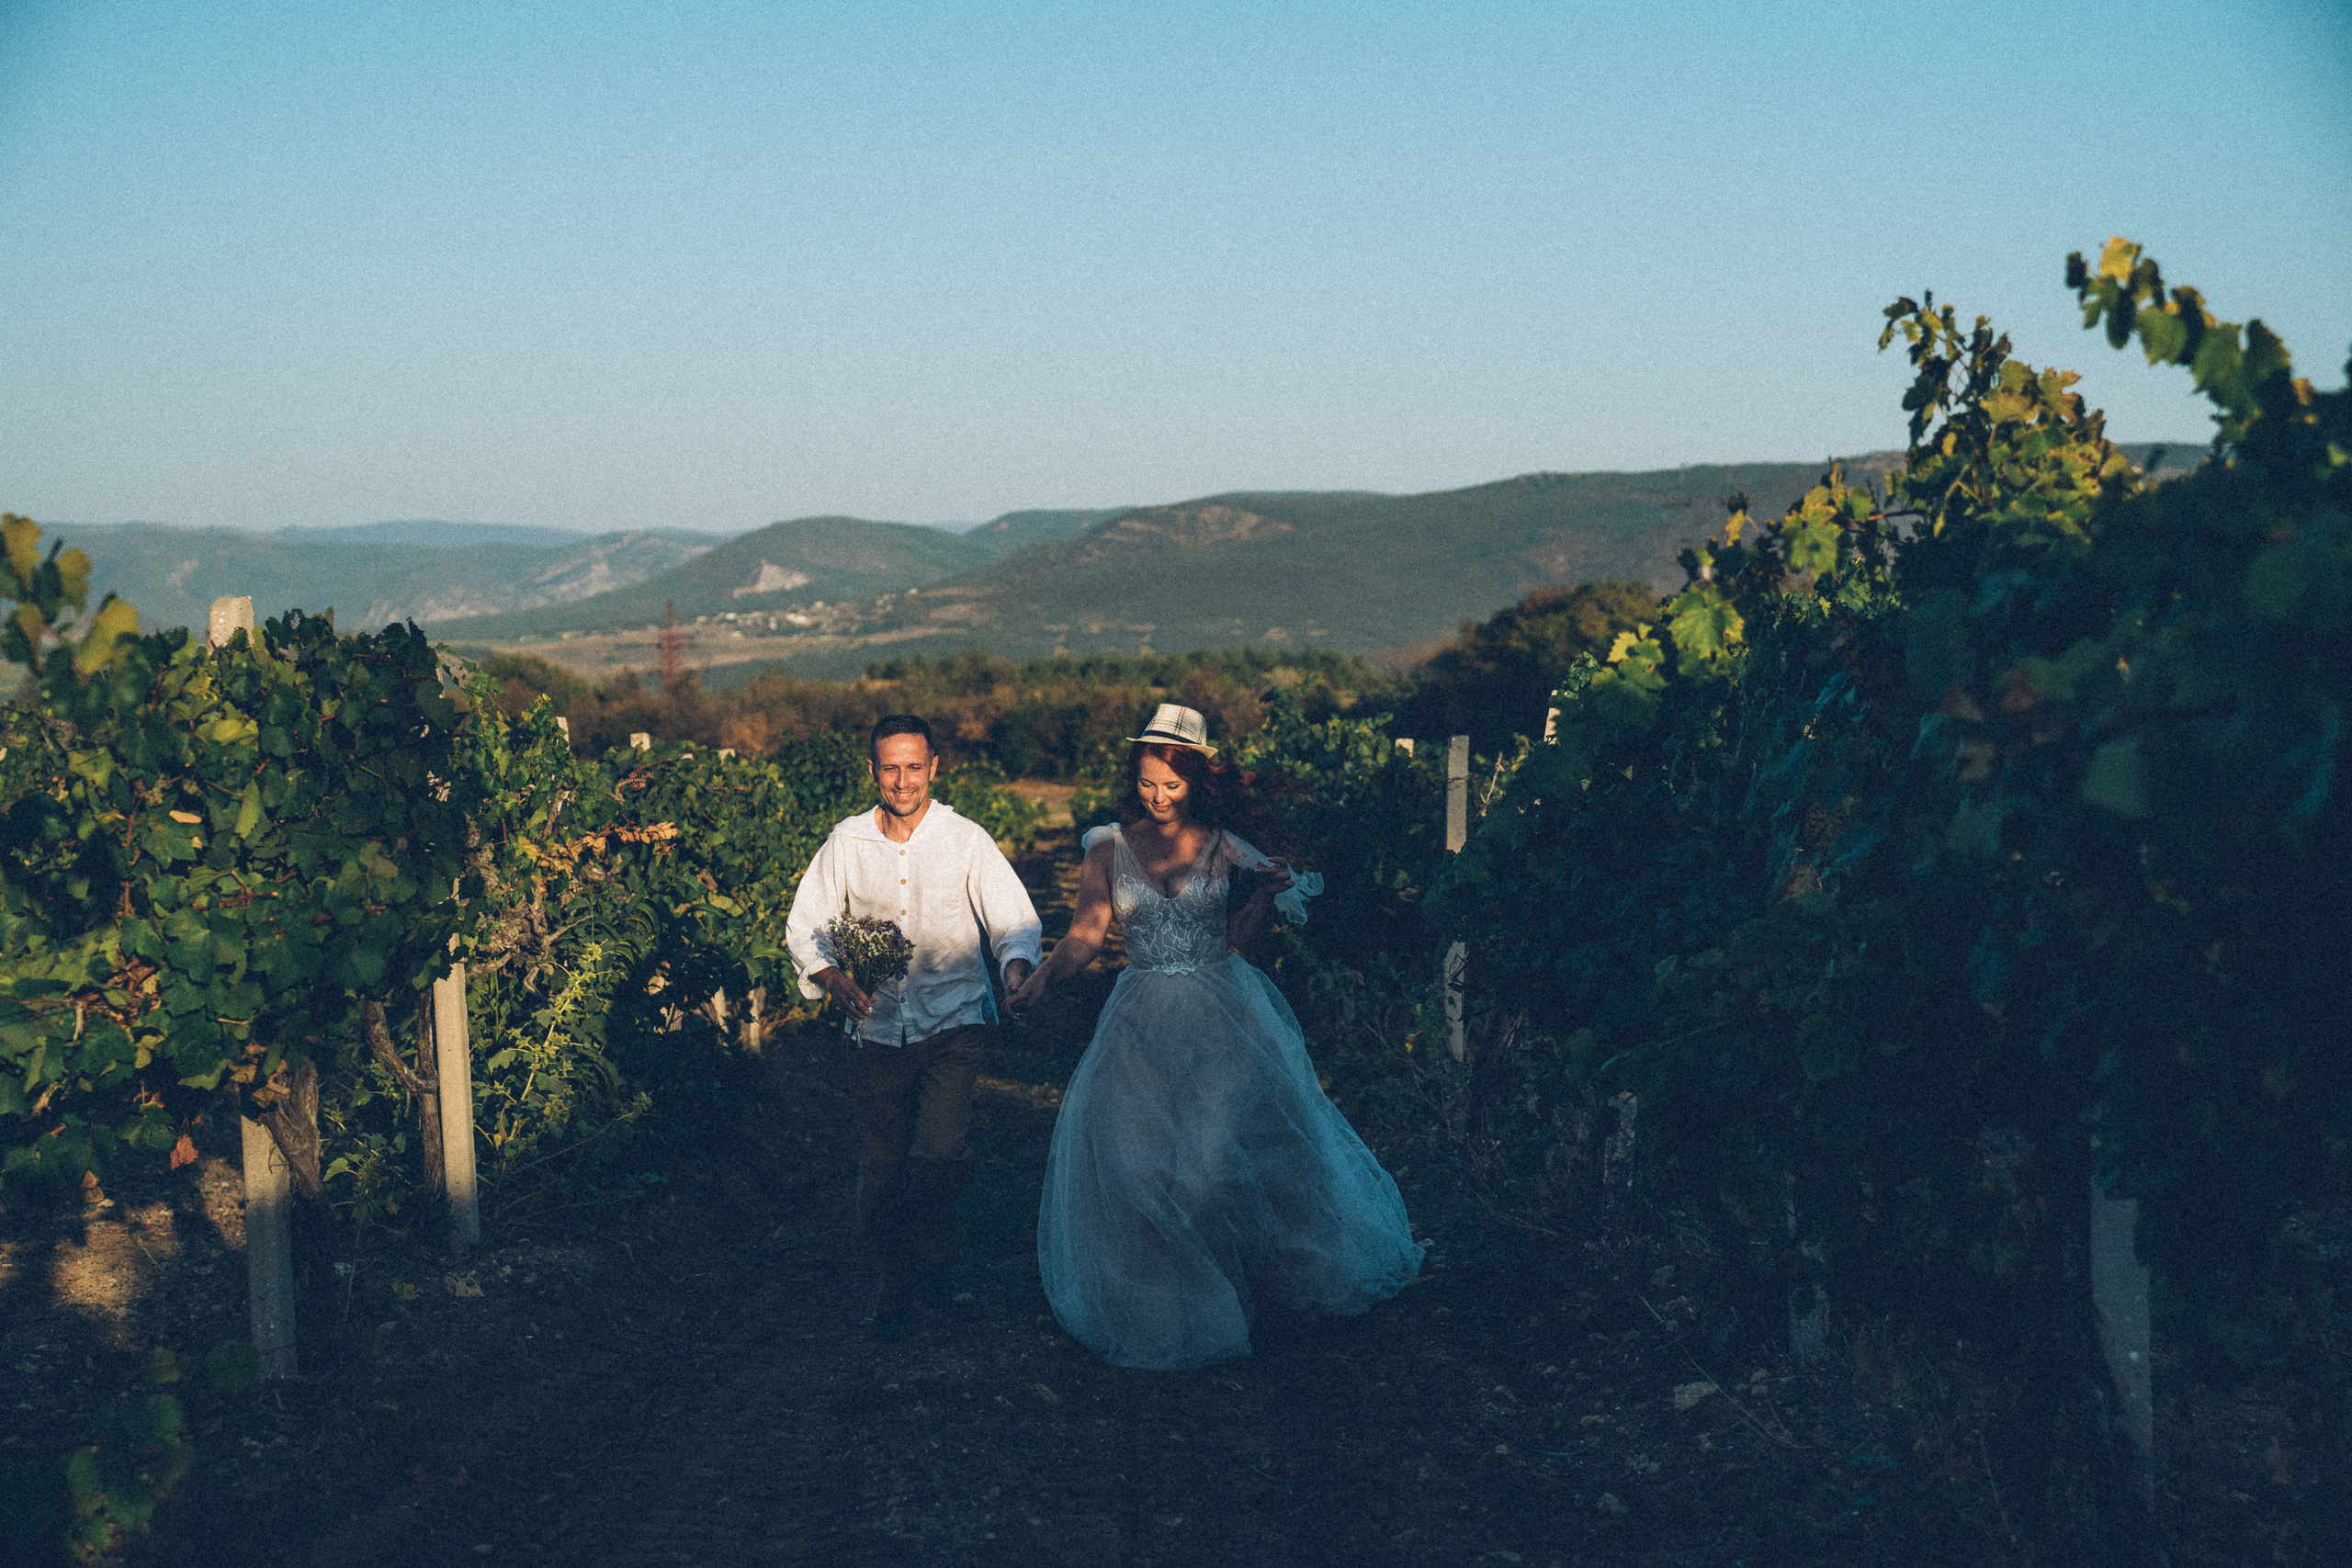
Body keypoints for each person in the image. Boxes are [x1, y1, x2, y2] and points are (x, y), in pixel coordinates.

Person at [1007, 703, 1422, 1368]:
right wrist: (1044, 979)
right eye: (1147, 783)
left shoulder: (1227, 846)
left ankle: (1237, 1287)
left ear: (1196, 780)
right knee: (1137, 1160)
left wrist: (1261, 896)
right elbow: (1086, 934)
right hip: (1141, 1015)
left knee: (1210, 1167)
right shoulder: (1108, 846)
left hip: (1221, 1012)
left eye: (1171, 784)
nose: (1158, 796)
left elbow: (1241, 943)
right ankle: (1171, 1302)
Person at [785, 714, 1043, 1339]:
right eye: (890, 769)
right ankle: (895, 1284)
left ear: (935, 768)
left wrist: (1015, 970)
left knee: (939, 1153)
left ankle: (935, 1251)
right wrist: (831, 976)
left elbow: (1012, 918)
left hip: (952, 1023)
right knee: (881, 1168)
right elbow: (807, 925)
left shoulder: (965, 840)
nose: (903, 781)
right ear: (872, 771)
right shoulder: (846, 842)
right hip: (876, 1032)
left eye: (914, 767)